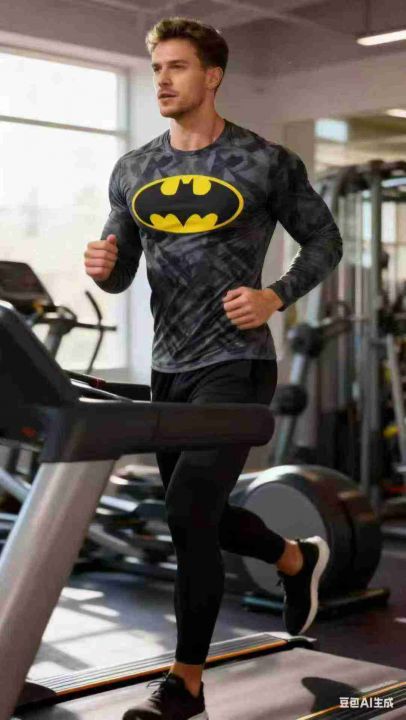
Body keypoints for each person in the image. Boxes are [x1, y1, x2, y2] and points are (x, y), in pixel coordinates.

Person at [84, 17, 342, 720]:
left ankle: (186, 685)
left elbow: (324, 242)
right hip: (170, 368)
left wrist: (274, 296)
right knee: (197, 512)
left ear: (213, 75)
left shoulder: (264, 161)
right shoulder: (134, 169)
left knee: (188, 510)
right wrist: (105, 269)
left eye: (177, 67)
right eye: (156, 68)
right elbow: (121, 269)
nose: (162, 80)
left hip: (237, 360)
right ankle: (295, 559)